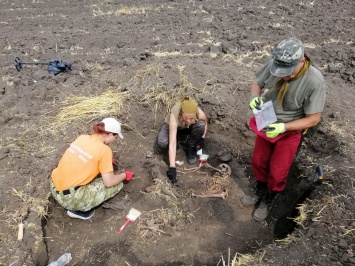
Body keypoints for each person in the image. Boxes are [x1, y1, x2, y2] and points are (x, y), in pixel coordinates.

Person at [242, 37, 326, 221]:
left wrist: (283, 127)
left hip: (290, 130)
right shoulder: (277, 65)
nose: (282, 75)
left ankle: (268, 200)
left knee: (278, 170)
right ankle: (260, 191)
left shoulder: (314, 81)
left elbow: (313, 119)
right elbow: (257, 84)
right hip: (267, 120)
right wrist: (253, 97)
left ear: (301, 61)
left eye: (287, 72)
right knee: (259, 161)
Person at [50, 117, 134, 220]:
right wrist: (124, 175)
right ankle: (79, 211)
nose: (114, 141)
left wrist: (103, 162)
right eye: (115, 138)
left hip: (54, 185)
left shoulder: (82, 137)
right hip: (69, 199)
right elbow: (109, 182)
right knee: (116, 184)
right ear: (110, 134)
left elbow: (83, 157)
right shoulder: (105, 150)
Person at [157, 96, 208, 184]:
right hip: (173, 126)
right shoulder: (175, 115)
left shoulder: (199, 113)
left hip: (187, 128)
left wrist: (202, 138)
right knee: (162, 142)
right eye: (186, 117)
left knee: (200, 126)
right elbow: (172, 144)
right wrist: (172, 167)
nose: (188, 120)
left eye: (191, 118)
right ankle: (175, 139)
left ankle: (191, 148)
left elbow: (205, 123)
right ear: (181, 113)